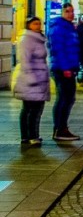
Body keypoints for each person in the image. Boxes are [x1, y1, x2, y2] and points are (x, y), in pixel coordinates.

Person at [14, 17, 49, 146]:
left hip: (38, 78)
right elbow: (25, 60)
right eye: (35, 23)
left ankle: (27, 136)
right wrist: (32, 79)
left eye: (39, 23)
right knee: (33, 109)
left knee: (30, 109)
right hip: (32, 81)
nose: (38, 25)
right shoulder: (27, 40)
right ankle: (32, 136)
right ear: (29, 25)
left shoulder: (38, 38)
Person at [48, 3, 81, 141]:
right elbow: (59, 49)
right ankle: (60, 129)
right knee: (64, 99)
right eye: (67, 11)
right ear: (62, 12)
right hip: (62, 69)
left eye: (72, 11)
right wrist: (65, 67)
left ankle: (62, 128)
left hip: (69, 67)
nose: (70, 14)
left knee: (68, 98)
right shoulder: (59, 28)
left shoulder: (69, 27)